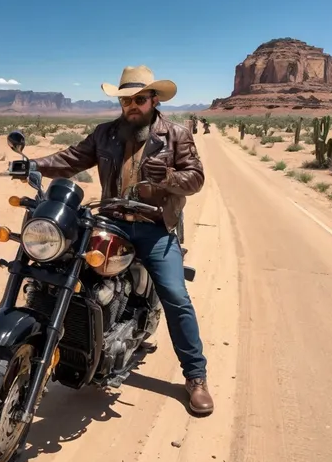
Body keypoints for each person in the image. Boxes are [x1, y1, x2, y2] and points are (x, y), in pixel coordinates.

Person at [32, 65, 214, 415]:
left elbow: (196, 179)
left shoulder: (175, 135)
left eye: (139, 99)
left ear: (153, 99)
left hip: (153, 227)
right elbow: (71, 159)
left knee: (175, 295)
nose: (132, 105)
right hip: (109, 222)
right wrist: (34, 165)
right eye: (126, 99)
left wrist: (171, 177)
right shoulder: (105, 133)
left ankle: (195, 376)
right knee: (64, 272)